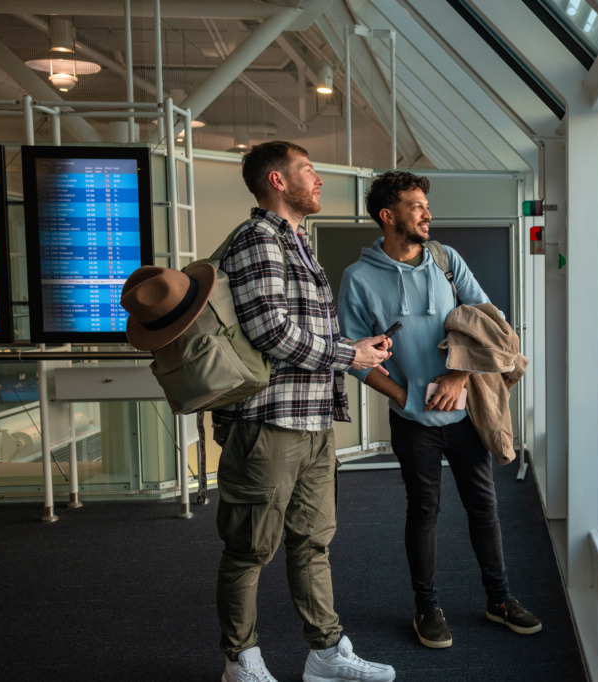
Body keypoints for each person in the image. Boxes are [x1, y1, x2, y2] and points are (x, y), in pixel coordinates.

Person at [212, 140, 396, 682]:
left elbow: (304, 332)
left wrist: (358, 348)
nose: (318, 182)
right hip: (267, 423)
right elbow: (272, 332)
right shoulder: (258, 239)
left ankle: (325, 653)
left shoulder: (297, 241)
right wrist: (350, 354)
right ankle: (240, 661)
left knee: (313, 543)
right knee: (249, 548)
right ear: (276, 180)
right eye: (309, 172)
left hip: (312, 420)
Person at [337, 170, 541, 649]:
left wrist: (460, 374)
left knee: (484, 507)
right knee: (423, 511)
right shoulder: (359, 279)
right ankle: (426, 607)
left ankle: (500, 598)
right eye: (415, 205)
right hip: (413, 422)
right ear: (388, 216)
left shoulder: (447, 261)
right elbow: (353, 356)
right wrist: (406, 397)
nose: (427, 213)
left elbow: (494, 327)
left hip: (467, 415)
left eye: (426, 204)